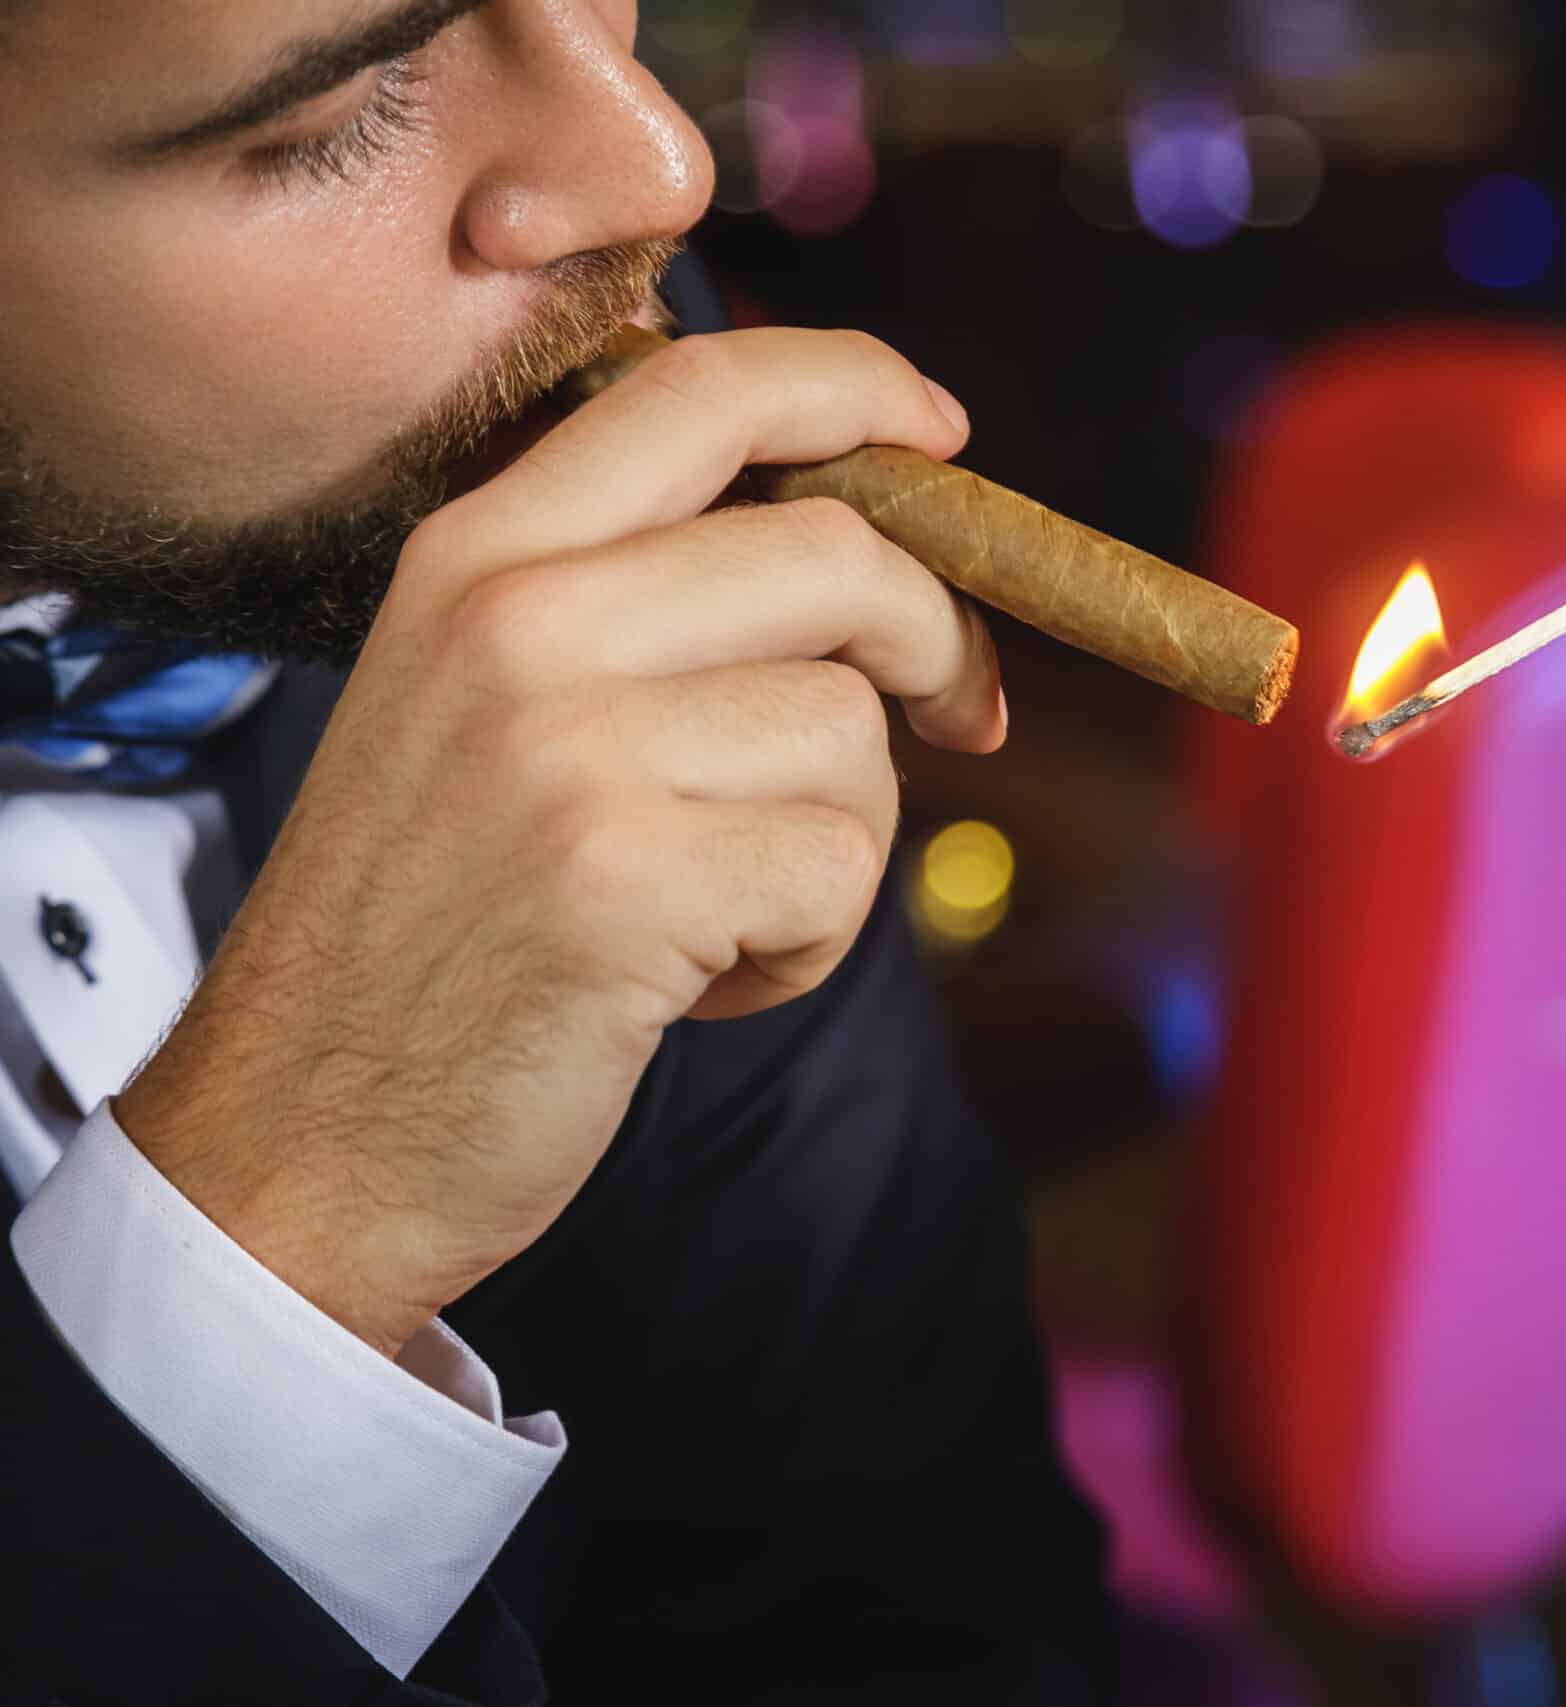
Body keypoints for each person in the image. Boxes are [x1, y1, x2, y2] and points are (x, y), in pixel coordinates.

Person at [1, 3, 1109, 1701]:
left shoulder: (606, 500)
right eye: (341, 108)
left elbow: (918, 1614)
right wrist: (284, 1234)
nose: (661, 168)